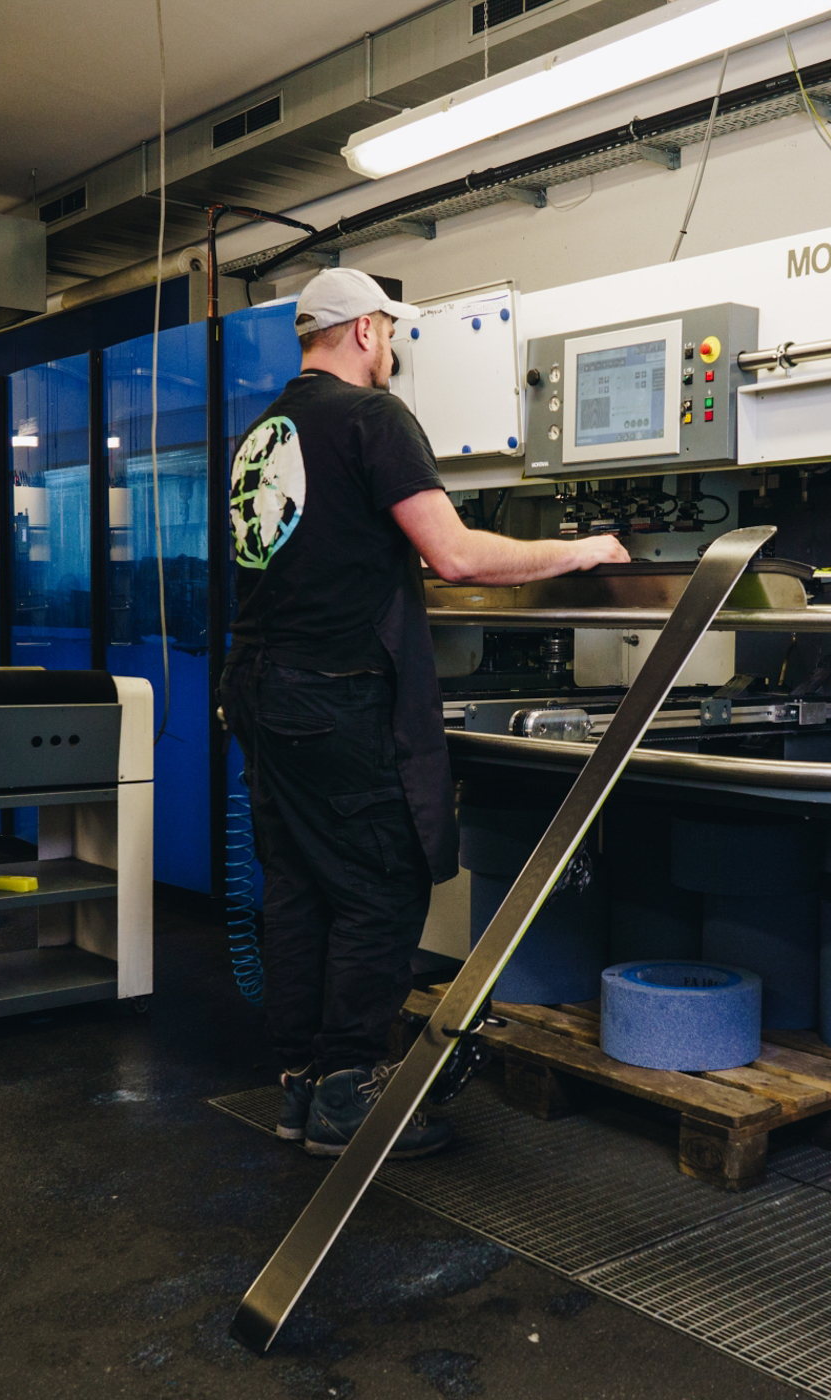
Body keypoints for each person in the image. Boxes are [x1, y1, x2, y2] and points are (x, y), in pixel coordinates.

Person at [219, 267, 629, 1159]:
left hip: (260, 687)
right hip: (335, 695)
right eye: (392, 333)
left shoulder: (263, 433)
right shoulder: (373, 417)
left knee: (298, 887)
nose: (394, 349)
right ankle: (348, 1088)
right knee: (381, 882)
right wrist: (578, 552)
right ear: (366, 330)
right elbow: (457, 557)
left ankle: (300, 1081)